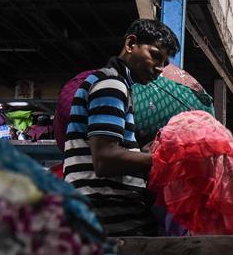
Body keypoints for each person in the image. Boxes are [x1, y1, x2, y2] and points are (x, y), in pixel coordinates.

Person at [63, 18, 178, 236]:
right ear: (130, 44)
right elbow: (105, 159)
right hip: (106, 215)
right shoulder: (111, 84)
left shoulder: (115, 85)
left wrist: (143, 153)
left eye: (164, 62)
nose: (160, 68)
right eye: (155, 55)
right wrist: (169, 161)